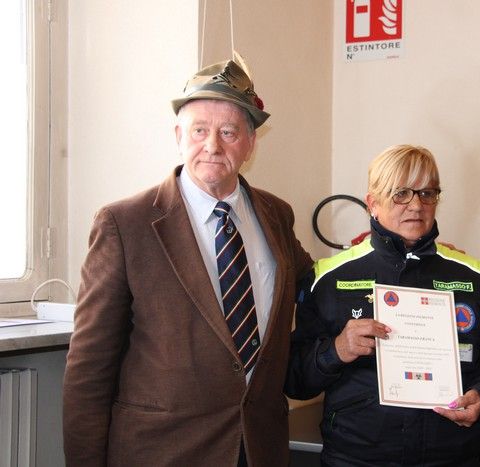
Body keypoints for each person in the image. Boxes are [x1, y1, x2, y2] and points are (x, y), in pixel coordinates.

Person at [62, 56, 312, 466]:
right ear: (179, 136)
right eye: (199, 130)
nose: (212, 145)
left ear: (250, 142)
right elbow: (89, 367)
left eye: (228, 131)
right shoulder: (124, 223)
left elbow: (314, 286)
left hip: (259, 448)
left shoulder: (276, 215)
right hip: (162, 451)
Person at [285, 144, 480, 466]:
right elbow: (294, 381)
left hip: (452, 455)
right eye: (401, 194)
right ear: (373, 204)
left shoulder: (478, 277)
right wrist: (335, 350)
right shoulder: (326, 278)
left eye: (427, 193)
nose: (416, 205)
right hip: (356, 457)